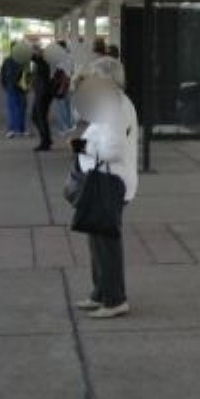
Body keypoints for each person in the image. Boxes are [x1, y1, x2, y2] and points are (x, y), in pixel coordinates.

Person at [70, 56, 139, 319]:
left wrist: (81, 147)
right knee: (98, 242)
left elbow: (112, 150)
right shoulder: (113, 102)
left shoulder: (114, 106)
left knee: (106, 245)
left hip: (109, 183)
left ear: (106, 79)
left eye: (94, 77)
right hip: (106, 181)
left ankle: (115, 300)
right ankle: (100, 293)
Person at [0, 41, 29, 138]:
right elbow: (29, 73)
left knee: (13, 109)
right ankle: (20, 129)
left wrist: (5, 85)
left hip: (12, 87)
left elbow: (3, 75)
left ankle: (12, 130)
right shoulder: (24, 59)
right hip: (20, 87)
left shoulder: (7, 60)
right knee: (21, 108)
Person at [30, 44, 54, 151]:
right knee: (36, 117)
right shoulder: (43, 62)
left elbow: (33, 58)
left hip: (43, 94)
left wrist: (34, 52)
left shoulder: (43, 62)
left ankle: (45, 142)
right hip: (42, 93)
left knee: (39, 117)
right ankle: (47, 139)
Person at [48, 40, 75, 133]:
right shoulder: (70, 57)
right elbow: (72, 72)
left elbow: (61, 74)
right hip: (69, 84)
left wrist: (60, 87)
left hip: (61, 85)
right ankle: (70, 125)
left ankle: (63, 128)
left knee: (61, 107)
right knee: (67, 106)